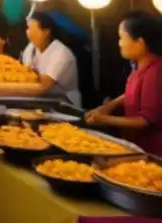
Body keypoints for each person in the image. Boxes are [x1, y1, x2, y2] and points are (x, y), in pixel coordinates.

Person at [85, 12, 162, 155]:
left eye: (122, 37)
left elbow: (145, 120)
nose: (119, 43)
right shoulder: (139, 67)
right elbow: (131, 93)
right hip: (134, 145)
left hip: (152, 152)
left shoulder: (155, 72)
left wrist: (104, 119)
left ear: (140, 43)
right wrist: (107, 107)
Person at [20, 11, 82, 107]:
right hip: (40, 100)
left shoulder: (60, 52)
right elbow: (24, 75)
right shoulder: (30, 48)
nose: (29, 33)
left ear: (46, 32)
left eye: (34, 29)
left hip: (65, 103)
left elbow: (46, 85)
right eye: (28, 29)